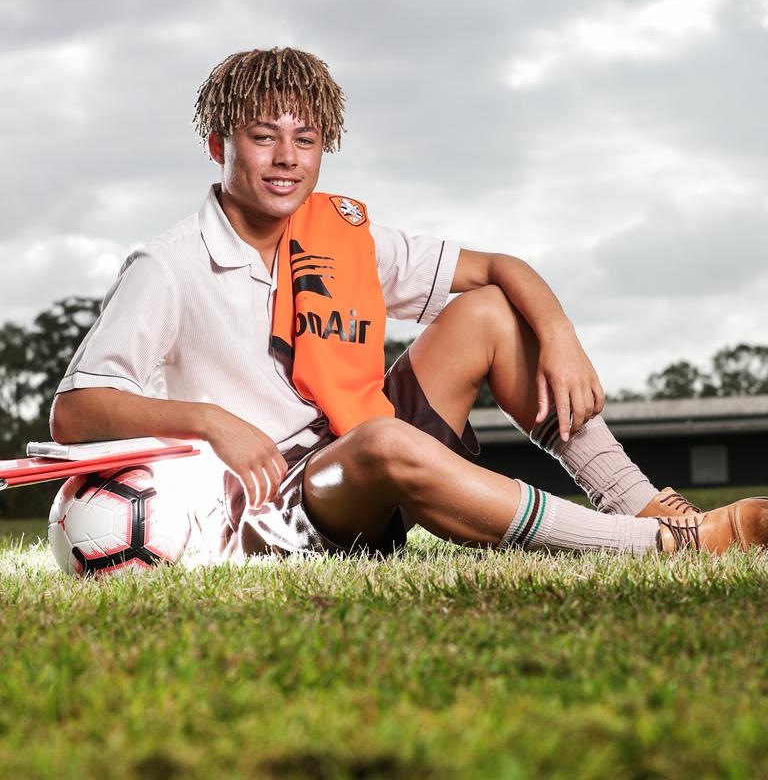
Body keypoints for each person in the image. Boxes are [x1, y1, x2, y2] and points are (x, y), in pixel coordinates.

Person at [50, 47, 768, 559]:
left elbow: (498, 268)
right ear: (218, 146)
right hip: (288, 508)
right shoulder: (167, 264)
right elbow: (75, 409)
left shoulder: (340, 237)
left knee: (488, 310)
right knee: (388, 443)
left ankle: (641, 502)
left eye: (306, 139)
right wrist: (209, 422)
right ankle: (656, 545)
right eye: (262, 136)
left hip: (363, 441)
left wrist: (559, 334)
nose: (285, 159)